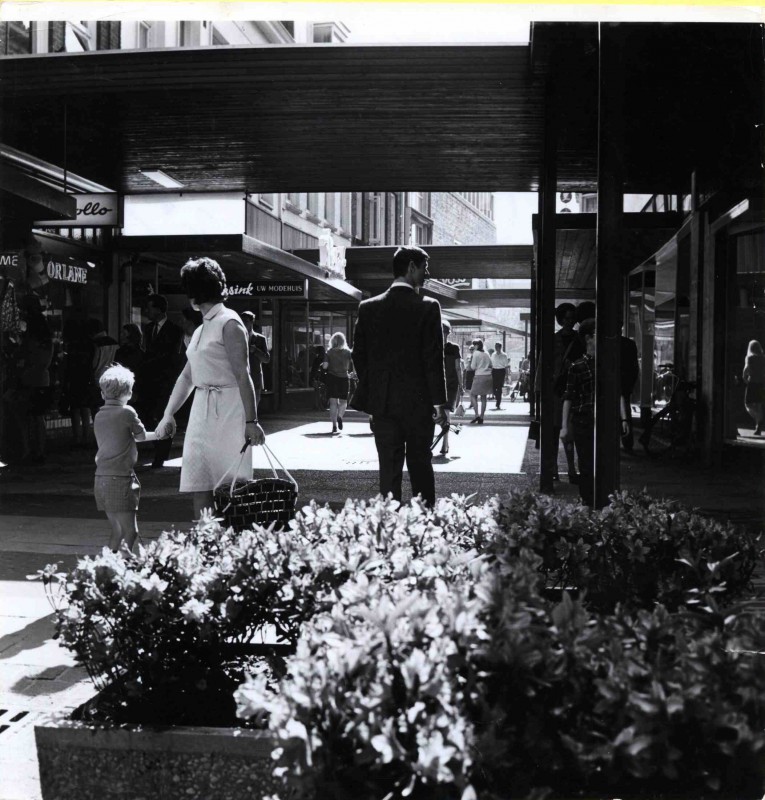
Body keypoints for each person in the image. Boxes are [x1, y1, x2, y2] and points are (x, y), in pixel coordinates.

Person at [156, 257, 266, 519]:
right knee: (200, 482)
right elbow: (187, 376)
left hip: (228, 409)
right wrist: (168, 414)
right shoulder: (200, 329)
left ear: (194, 295)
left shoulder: (229, 323)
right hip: (202, 410)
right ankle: (206, 544)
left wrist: (251, 421)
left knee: (230, 486)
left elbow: (243, 374)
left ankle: (228, 545)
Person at [351, 245, 447, 507]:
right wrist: (440, 404)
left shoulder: (368, 308)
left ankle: (387, 532)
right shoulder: (428, 307)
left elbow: (358, 355)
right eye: (425, 268)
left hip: (383, 405)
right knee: (420, 467)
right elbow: (433, 360)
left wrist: (374, 392)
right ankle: (426, 524)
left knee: (388, 471)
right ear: (411, 267)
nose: (427, 274)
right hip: (419, 404)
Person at [561, 318, 629, 507]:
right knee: (586, 463)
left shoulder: (609, 365)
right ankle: (587, 501)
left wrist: (624, 418)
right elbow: (569, 396)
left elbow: (618, 393)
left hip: (606, 421)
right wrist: (564, 427)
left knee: (604, 463)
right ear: (588, 338)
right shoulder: (578, 366)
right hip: (584, 420)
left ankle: (604, 501)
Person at [93, 365, 157, 552]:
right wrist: (161, 434)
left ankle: (106, 567)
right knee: (130, 531)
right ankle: (120, 568)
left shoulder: (98, 415)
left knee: (117, 530)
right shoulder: (127, 412)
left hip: (101, 478)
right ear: (128, 392)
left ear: (103, 393)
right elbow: (141, 436)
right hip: (120, 478)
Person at [140, 295, 183, 468]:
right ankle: (159, 445)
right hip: (150, 380)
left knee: (164, 414)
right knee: (148, 415)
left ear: (159, 309)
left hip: (166, 380)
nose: (147, 311)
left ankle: (162, 453)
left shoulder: (175, 330)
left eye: (150, 308)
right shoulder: (148, 328)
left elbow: (173, 356)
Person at [18, 300, 53, 464]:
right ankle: (39, 450)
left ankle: (28, 450)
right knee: (38, 417)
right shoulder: (47, 340)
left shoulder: (30, 340)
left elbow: (25, 357)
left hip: (29, 378)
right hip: (43, 378)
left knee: (27, 417)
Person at [59, 319, 95, 449]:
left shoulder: (72, 346)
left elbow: (67, 365)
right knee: (85, 409)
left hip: (74, 378)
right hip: (85, 378)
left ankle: (77, 438)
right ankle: (86, 437)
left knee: (75, 409)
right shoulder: (88, 344)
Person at [322, 332, 355, 434]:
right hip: (344, 378)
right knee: (343, 401)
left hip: (332, 378)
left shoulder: (329, 352)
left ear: (332, 341)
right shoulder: (348, 352)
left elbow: (325, 367)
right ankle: (340, 416)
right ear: (343, 341)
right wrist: (353, 373)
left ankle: (334, 426)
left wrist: (324, 363)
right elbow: (354, 363)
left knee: (333, 403)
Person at [440, 320, 462, 456]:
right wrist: (461, 385)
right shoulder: (454, 348)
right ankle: (445, 443)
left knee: (435, 412)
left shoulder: (432, 346)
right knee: (447, 412)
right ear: (449, 332)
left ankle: (443, 443)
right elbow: (458, 368)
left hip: (436, 383)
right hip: (451, 383)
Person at [240, 310, 270, 409]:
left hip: (255, 377)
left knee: (254, 405)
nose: (244, 324)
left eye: (246, 321)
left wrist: (255, 350)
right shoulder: (237, 338)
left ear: (252, 322)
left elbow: (266, 359)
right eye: (242, 321)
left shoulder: (260, 339)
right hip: (240, 376)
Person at [620, 334, 640, 451]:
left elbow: (634, 367)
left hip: (621, 383)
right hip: (624, 383)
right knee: (625, 411)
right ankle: (627, 443)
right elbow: (634, 367)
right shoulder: (629, 344)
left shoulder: (628, 344)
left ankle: (627, 442)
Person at [742, 339, 765, 435]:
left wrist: (745, 379)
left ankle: (759, 420)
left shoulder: (749, 357)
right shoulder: (763, 358)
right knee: (759, 405)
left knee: (748, 404)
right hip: (762, 384)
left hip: (753, 384)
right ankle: (758, 425)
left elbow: (746, 370)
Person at [468, 339, 492, 424]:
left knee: (472, 394)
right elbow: (491, 365)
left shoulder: (475, 353)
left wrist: (471, 361)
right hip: (488, 376)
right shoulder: (487, 353)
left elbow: (473, 367)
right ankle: (482, 417)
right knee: (483, 397)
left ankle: (476, 415)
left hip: (479, 376)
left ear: (477, 345)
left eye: (474, 345)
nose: (473, 347)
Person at [490, 341, 510, 410]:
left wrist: (507, 376)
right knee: (493, 386)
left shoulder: (504, 355)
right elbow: (491, 364)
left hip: (501, 371)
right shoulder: (493, 355)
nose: (496, 348)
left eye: (497, 347)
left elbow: (506, 366)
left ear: (500, 347)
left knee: (500, 387)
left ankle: (498, 403)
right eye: (495, 347)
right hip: (494, 371)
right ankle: (496, 396)